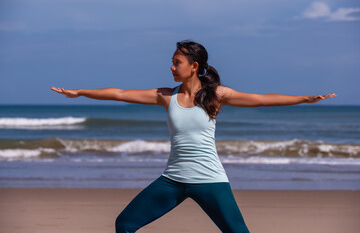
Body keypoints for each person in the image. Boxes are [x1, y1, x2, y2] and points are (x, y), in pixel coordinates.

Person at [51, 40, 336, 233]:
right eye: (172, 62)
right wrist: (80, 92)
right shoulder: (166, 96)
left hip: (210, 180)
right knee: (124, 224)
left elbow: (261, 99)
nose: (171, 67)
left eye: (176, 62)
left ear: (194, 66)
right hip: (172, 180)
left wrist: (303, 99)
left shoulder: (216, 95)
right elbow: (120, 93)